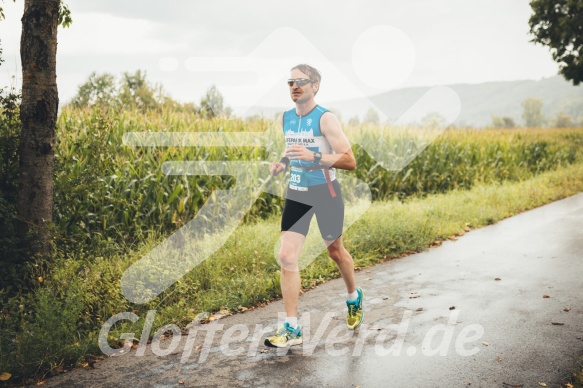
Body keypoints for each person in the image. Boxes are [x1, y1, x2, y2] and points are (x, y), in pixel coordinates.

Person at [264, 64, 363, 348]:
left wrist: (314, 155)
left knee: (335, 251)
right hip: (297, 191)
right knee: (286, 255)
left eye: (301, 82)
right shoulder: (286, 118)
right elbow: (291, 147)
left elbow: (349, 160)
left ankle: (353, 297)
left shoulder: (326, 119)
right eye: (290, 82)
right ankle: (292, 328)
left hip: (325, 192)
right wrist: (282, 163)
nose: (295, 86)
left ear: (315, 85)